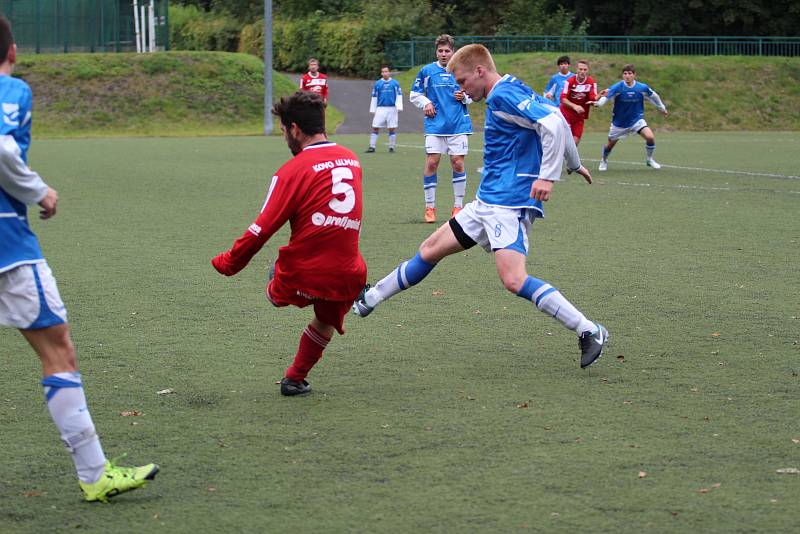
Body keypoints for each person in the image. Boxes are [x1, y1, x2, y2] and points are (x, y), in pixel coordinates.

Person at [353, 44, 609, 370]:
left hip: (509, 203)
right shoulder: (512, 87)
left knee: (514, 279)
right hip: (486, 201)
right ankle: (369, 298)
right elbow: (556, 116)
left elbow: (554, 124)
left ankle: (589, 330)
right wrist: (573, 163)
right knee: (430, 249)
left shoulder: (502, 94)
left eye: (462, 82)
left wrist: (549, 175)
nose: (461, 90)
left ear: (479, 71)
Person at [0, 16, 158, 503]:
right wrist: (40, 191)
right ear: (13, 50)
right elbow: (1, 146)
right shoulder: (12, 89)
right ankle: (94, 475)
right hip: (7, 248)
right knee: (58, 351)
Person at [211, 91, 366, 396]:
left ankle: (278, 286)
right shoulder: (353, 159)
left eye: (283, 132)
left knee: (286, 278)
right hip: (350, 274)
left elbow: (261, 230)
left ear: (294, 129)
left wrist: (229, 263)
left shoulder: (292, 171)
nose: (285, 139)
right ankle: (294, 378)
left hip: (302, 273)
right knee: (326, 319)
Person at [409, 34, 472, 223]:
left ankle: (458, 207)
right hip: (435, 125)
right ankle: (430, 208)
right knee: (431, 163)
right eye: (440, 51)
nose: (444, 54)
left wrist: (465, 97)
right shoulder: (427, 71)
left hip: (458, 125)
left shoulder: (462, 71)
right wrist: (426, 102)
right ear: (436, 52)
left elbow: (474, 94)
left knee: (458, 163)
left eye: (447, 51)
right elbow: (414, 94)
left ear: (453, 52)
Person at [593, 64, 668, 171]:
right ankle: (604, 160)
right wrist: (598, 104)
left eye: (629, 73)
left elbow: (654, 96)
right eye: (625, 73)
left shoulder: (642, 87)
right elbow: (605, 98)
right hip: (619, 123)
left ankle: (649, 159)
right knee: (609, 145)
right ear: (622, 75)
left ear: (634, 75)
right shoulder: (617, 87)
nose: (627, 76)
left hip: (636, 120)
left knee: (650, 137)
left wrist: (662, 108)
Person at [559, 60, 600, 146]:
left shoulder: (592, 82)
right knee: (565, 140)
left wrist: (599, 96)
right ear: (576, 69)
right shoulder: (569, 81)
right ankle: (559, 157)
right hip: (566, 114)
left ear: (588, 70)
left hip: (579, 116)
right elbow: (563, 99)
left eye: (585, 70)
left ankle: (568, 158)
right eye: (580, 69)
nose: (582, 72)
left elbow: (593, 98)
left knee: (575, 142)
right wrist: (575, 106)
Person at [366, 65, 403, 153]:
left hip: (392, 108)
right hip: (380, 108)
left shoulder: (395, 83)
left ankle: (391, 147)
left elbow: (399, 95)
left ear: (389, 72)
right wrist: (373, 109)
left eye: (386, 71)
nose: (385, 73)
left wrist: (399, 107)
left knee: (392, 128)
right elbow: (374, 96)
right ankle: (372, 147)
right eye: (383, 72)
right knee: (375, 127)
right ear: (381, 73)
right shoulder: (378, 83)